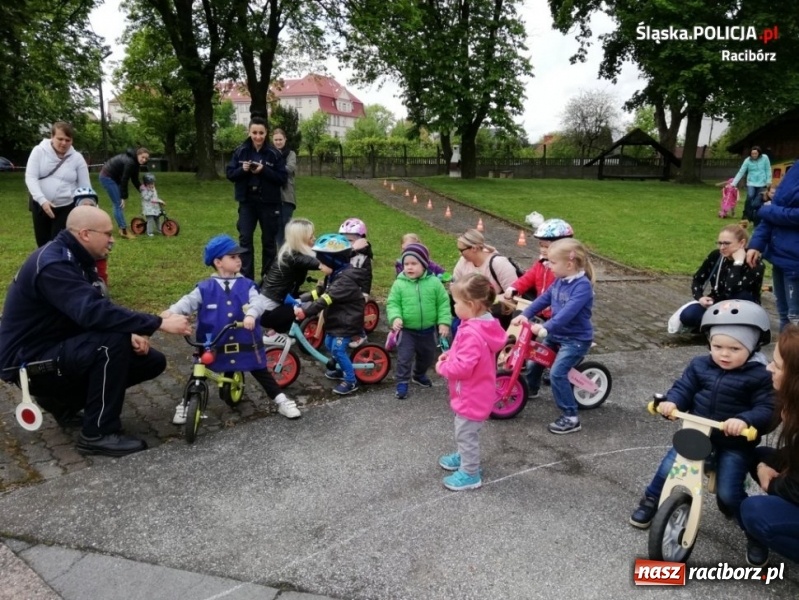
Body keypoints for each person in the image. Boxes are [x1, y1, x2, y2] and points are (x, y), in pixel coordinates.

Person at [0, 206, 191, 457]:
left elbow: (92, 308)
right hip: (28, 360)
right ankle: (97, 434)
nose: (112, 239)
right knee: (109, 344)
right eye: (108, 233)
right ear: (85, 234)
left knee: (150, 361)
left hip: (54, 346)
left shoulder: (76, 257)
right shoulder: (54, 264)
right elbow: (91, 312)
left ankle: (63, 403)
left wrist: (131, 332)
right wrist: (157, 322)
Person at [629, 301, 775, 555]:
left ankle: (753, 531)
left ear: (753, 347)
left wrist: (744, 420)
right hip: (697, 434)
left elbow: (766, 408)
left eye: (734, 348)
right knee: (667, 469)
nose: (724, 354)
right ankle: (651, 499)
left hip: (734, 443)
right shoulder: (700, 365)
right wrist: (672, 403)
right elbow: (684, 387)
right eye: (717, 346)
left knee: (729, 494)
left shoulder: (760, 375)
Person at [163, 234, 301, 423]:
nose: (239, 260)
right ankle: (186, 404)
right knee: (199, 370)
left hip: (245, 339)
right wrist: (170, 313)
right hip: (213, 341)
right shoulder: (205, 287)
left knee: (259, 369)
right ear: (218, 262)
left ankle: (281, 400)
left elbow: (258, 302)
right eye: (233, 257)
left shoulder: (247, 285)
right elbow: (187, 302)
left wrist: (252, 314)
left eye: (238, 256)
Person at [511, 238, 595, 434]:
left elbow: (568, 313)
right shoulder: (559, 281)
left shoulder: (582, 287)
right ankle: (530, 389)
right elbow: (543, 299)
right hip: (556, 334)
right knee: (535, 360)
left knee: (558, 373)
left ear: (569, 263)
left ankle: (571, 416)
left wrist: (545, 328)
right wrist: (525, 314)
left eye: (553, 262)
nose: (548, 266)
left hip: (575, 339)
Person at [435, 273, 507, 491]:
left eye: (456, 302)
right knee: (466, 431)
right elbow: (465, 355)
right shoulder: (478, 324)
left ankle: (470, 472)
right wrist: (450, 354)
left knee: (466, 433)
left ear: (472, 305)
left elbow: (463, 368)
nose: (454, 307)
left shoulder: (473, 333)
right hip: (476, 390)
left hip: (471, 393)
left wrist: (442, 367)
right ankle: (465, 457)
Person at [740, 324, 799, 566]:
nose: (768, 368)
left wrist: (771, 481)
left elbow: (796, 489)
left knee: (753, 512)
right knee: (758, 455)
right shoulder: (792, 400)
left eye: (777, 365)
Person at [294, 234, 364, 396]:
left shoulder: (344, 281)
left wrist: (306, 312)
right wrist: (300, 298)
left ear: (334, 261)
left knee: (338, 349)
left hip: (347, 321)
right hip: (336, 319)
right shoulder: (333, 275)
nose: (319, 267)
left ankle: (350, 380)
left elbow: (325, 299)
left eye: (322, 263)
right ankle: (341, 368)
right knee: (329, 342)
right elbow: (319, 292)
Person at [386, 243, 452, 400]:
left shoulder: (434, 283)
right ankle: (402, 382)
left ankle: (418, 374)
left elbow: (443, 303)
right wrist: (395, 318)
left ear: (424, 265)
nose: (409, 267)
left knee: (428, 356)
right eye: (406, 264)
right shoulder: (399, 283)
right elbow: (392, 303)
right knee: (404, 357)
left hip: (428, 330)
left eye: (413, 264)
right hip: (407, 330)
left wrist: (443, 322)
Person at [226, 116, 288, 281]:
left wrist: (264, 170)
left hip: (268, 202)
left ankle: (268, 278)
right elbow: (230, 174)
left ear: (266, 133)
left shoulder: (274, 154)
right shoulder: (241, 151)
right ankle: (246, 278)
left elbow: (282, 178)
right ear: (249, 132)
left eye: (261, 133)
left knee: (268, 241)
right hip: (247, 201)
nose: (258, 136)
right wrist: (242, 170)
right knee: (245, 239)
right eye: (254, 132)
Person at [672, 225, 764, 332]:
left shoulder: (753, 262)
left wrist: (738, 263)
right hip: (717, 301)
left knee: (740, 298)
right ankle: (715, 326)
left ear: (742, 243)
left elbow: (732, 289)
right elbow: (698, 279)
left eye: (727, 243)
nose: (722, 247)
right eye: (720, 243)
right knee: (688, 316)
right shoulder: (716, 256)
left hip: (741, 304)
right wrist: (700, 297)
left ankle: (717, 326)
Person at [259, 218, 332, 339]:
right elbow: (322, 265)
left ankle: (276, 330)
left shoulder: (288, 251)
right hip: (268, 313)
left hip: (273, 304)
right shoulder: (293, 257)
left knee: (309, 297)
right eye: (311, 237)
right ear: (301, 240)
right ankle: (274, 334)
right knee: (306, 306)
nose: (314, 239)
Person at [747, 164, 799, 330]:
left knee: (795, 318)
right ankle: (785, 355)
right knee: (784, 315)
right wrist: (756, 244)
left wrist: (768, 210)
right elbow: (774, 211)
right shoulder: (795, 169)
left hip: (795, 260)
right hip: (779, 254)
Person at [25, 121, 90, 247]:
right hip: (40, 205)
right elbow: (30, 177)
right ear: (52, 136)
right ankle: (44, 265)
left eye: (68, 140)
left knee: (59, 244)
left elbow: (85, 186)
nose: (64, 143)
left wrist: (88, 205)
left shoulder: (77, 158)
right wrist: (42, 201)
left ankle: (59, 266)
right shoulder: (39, 151)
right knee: (43, 244)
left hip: (66, 207)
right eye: (60, 139)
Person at [504, 218, 575, 318]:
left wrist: (555, 304)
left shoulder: (565, 270)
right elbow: (528, 277)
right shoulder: (541, 263)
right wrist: (515, 288)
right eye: (541, 245)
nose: (542, 250)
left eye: (547, 247)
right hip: (539, 311)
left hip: (557, 317)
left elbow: (568, 295)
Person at [453, 229, 518, 329]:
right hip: (472, 311)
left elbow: (515, 296)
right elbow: (455, 283)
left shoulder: (499, 264)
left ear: (474, 248)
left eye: (461, 251)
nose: (459, 254)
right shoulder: (463, 262)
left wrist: (492, 301)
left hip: (495, 317)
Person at [99, 147, 150, 239]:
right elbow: (125, 180)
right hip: (107, 177)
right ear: (138, 155)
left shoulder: (135, 163)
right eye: (142, 157)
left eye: (146, 158)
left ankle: (122, 227)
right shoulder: (130, 163)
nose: (144, 160)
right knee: (118, 204)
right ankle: (123, 230)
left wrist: (144, 191)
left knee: (119, 204)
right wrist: (123, 197)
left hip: (115, 178)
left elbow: (135, 180)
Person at [339, 217, 373, 348]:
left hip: (356, 291)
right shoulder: (343, 254)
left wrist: (365, 292)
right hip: (341, 288)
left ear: (361, 240)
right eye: (344, 240)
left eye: (350, 240)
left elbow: (367, 276)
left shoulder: (363, 257)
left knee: (351, 314)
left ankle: (360, 335)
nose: (347, 243)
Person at [71, 187, 109, 286]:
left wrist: (106, 245)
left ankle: (101, 288)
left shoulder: (100, 219)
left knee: (100, 272)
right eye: (84, 204)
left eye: (91, 204)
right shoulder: (74, 220)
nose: (87, 207)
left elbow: (108, 234)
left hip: (97, 253)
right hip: (80, 252)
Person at [732, 146, 772, 225]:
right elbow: (741, 171)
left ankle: (756, 217)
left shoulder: (765, 158)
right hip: (751, 182)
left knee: (758, 201)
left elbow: (768, 169)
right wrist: (733, 183)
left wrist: (769, 181)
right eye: (752, 153)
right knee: (750, 196)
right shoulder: (747, 160)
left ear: (759, 153)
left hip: (762, 183)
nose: (754, 155)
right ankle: (746, 215)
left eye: (755, 153)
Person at [272, 128, 296, 248]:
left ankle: (287, 253)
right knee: (276, 227)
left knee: (286, 225)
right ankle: (280, 254)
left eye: (280, 139)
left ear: (285, 139)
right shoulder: (269, 153)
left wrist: (272, 168)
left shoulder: (291, 154)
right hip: (272, 195)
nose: (278, 142)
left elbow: (289, 168)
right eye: (276, 140)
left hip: (287, 195)